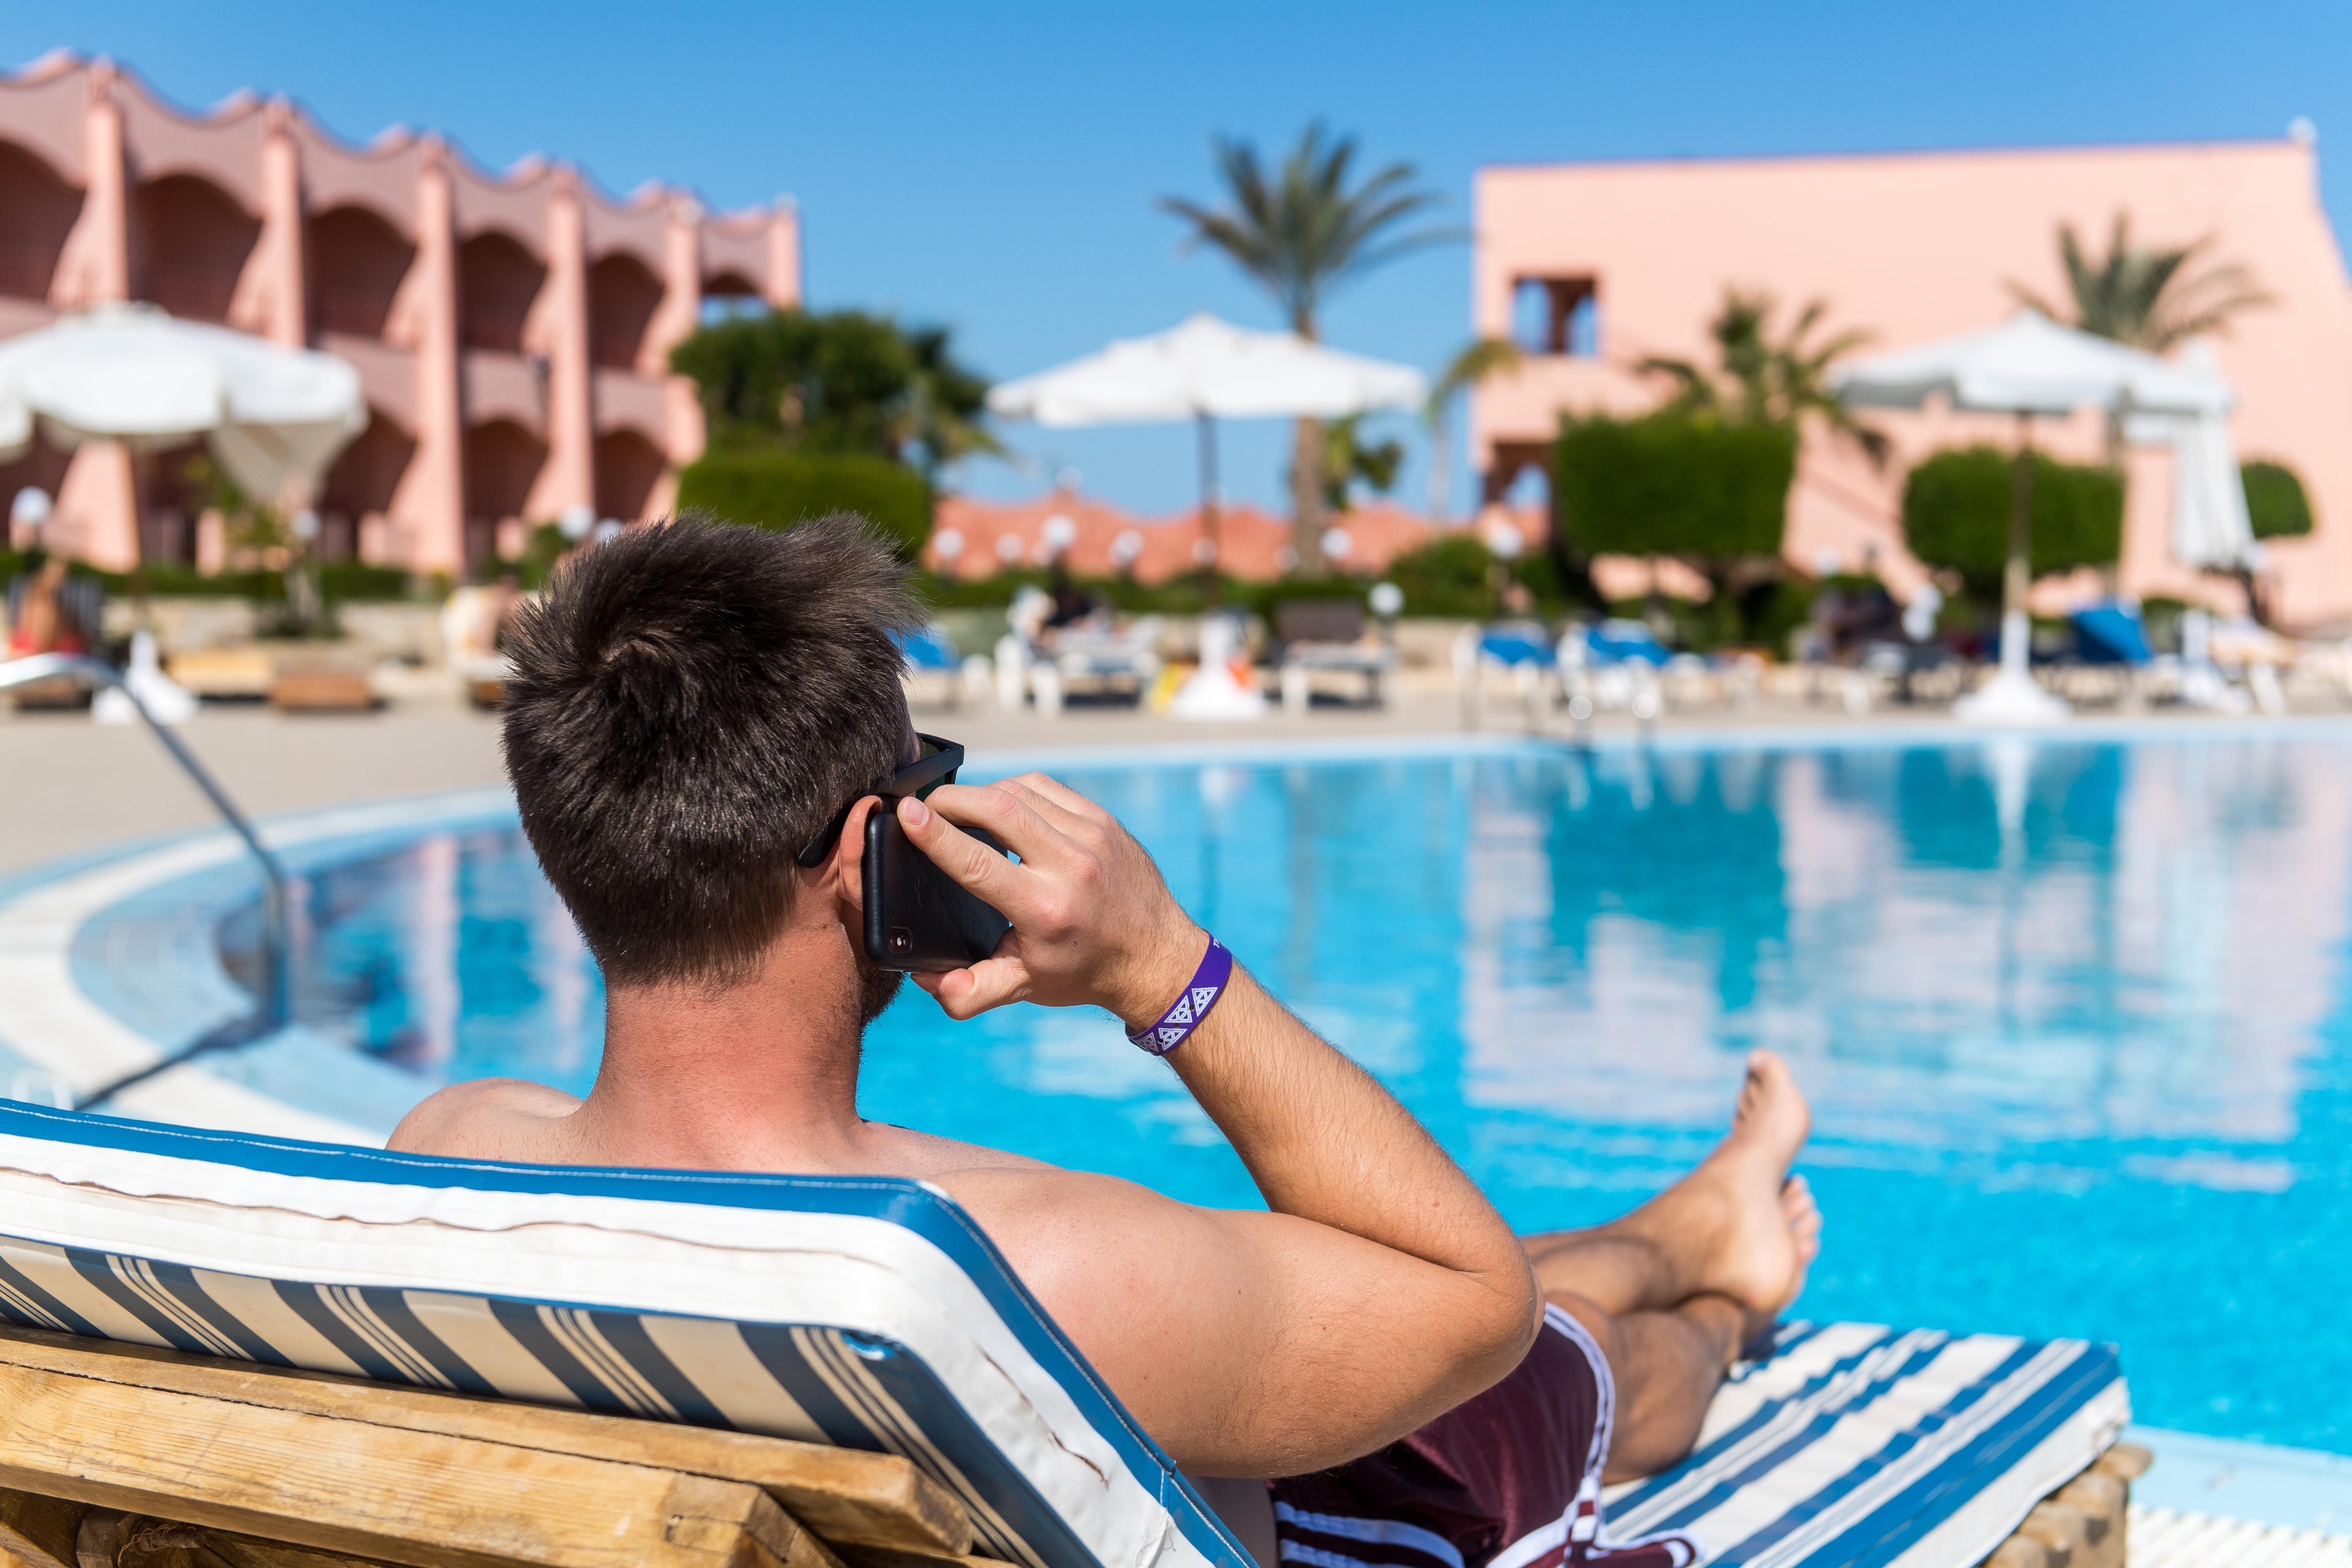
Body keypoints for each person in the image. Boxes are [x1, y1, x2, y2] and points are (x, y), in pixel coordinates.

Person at [391, 514, 1822, 1568]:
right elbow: (1473, 1296)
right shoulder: (1026, 1275)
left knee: (1400, 1290)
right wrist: (1166, 965)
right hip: (1339, 1500)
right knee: (1580, 1362)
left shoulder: (450, 1151)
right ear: (868, 853)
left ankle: (1700, 1217)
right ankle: (1720, 1298)